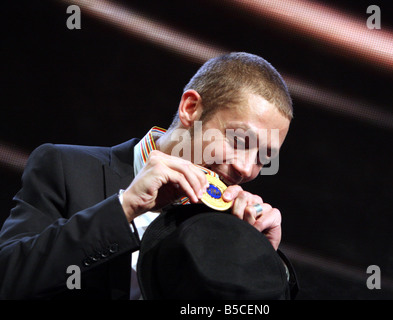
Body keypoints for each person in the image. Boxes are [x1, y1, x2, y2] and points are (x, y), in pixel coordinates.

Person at [0, 52, 297, 299]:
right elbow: (7, 277)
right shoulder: (66, 167)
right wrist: (125, 209)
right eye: (239, 141)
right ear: (191, 108)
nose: (247, 169)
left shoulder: (230, 225)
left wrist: (262, 268)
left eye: (263, 157)